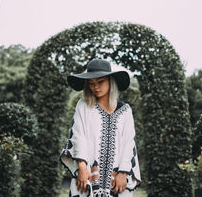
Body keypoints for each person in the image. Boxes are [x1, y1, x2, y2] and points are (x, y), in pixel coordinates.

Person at [60, 59, 141, 197]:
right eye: (91, 83)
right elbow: (78, 136)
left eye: (100, 82)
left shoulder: (126, 110)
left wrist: (123, 172)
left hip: (117, 179)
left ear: (111, 81)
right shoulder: (84, 106)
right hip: (88, 176)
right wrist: (82, 167)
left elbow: (129, 142)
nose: (95, 87)